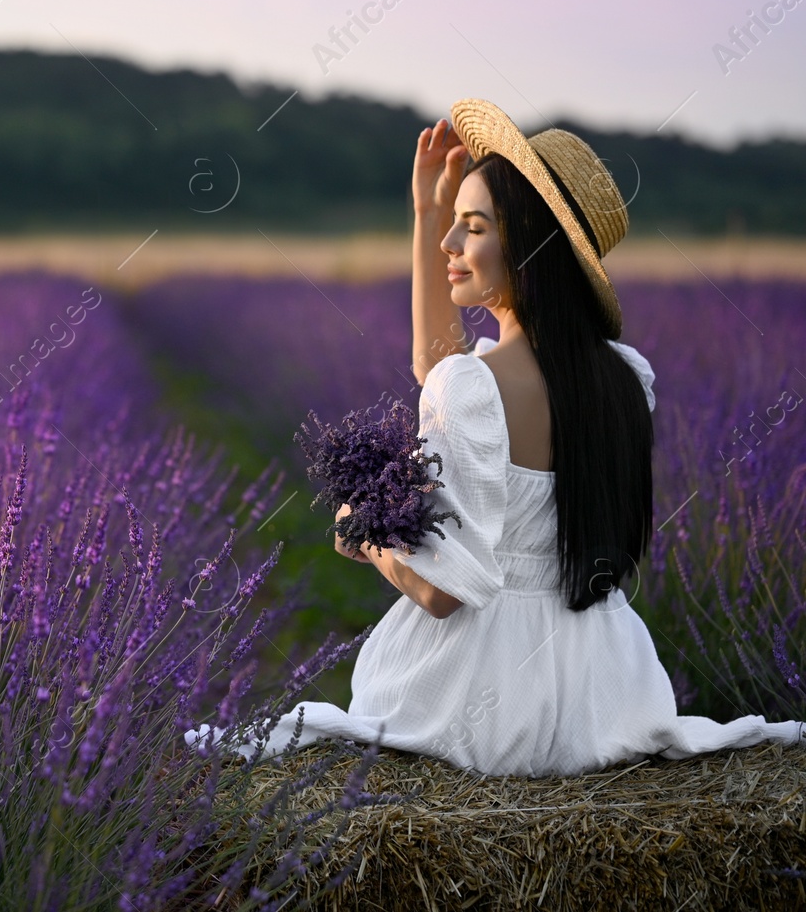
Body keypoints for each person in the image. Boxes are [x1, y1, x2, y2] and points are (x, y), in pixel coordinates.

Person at [184, 97, 805, 777]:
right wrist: (428, 214)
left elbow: (443, 590)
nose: (451, 246)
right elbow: (440, 371)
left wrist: (361, 527)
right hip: (604, 689)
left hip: (483, 697)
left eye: (471, 229)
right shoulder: (628, 376)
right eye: (453, 228)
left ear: (529, 248)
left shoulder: (473, 387)